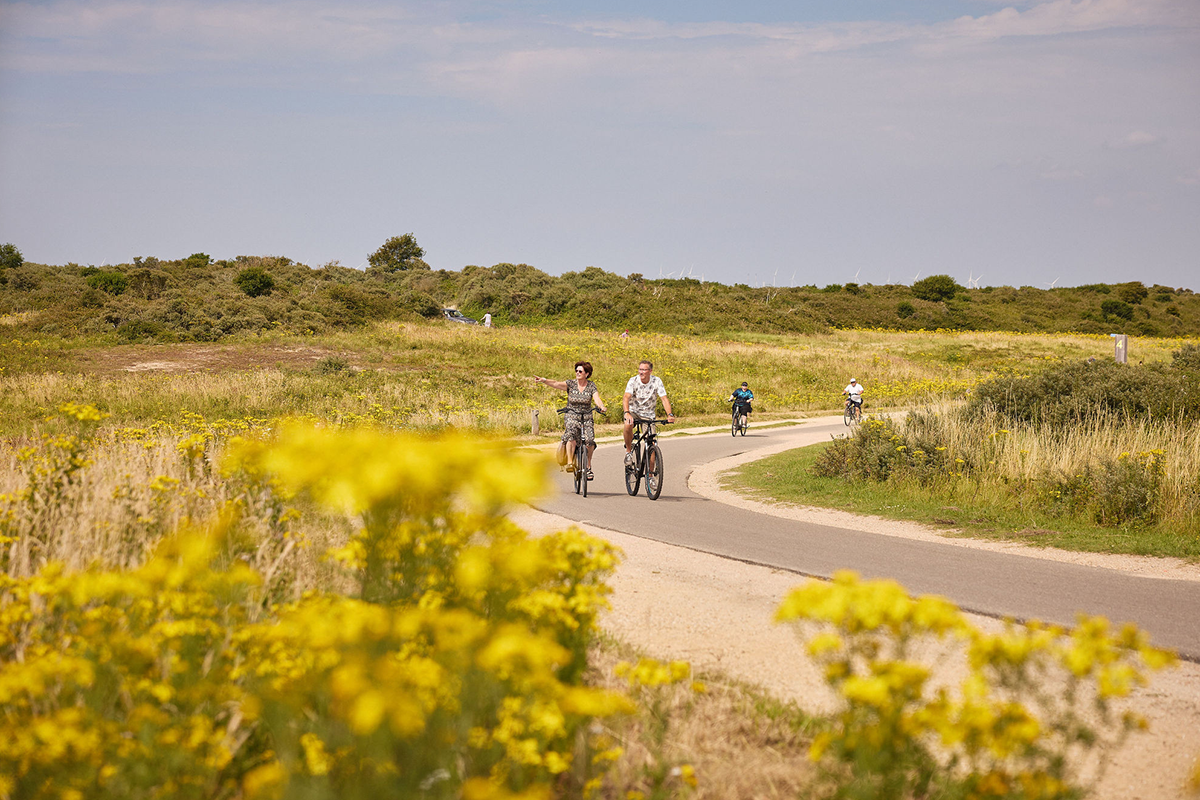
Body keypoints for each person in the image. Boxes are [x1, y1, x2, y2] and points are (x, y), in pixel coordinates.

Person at [534, 361, 608, 480]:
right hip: (572, 415)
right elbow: (556, 383)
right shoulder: (571, 384)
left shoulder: (591, 386)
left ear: (587, 374)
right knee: (571, 434)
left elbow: (597, 398)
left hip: (586, 417)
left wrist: (601, 406)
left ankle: (588, 466)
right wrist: (544, 380)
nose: (577, 373)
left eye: (580, 371)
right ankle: (570, 462)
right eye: (576, 371)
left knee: (589, 441)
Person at [622, 360, 675, 466]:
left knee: (652, 444)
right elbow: (626, 397)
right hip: (634, 411)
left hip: (648, 415)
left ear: (650, 371)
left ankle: (650, 476)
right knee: (628, 424)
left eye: (644, 370)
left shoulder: (656, 381)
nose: (641, 372)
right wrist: (627, 412)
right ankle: (628, 451)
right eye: (640, 369)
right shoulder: (633, 381)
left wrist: (670, 414)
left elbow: (664, 398)